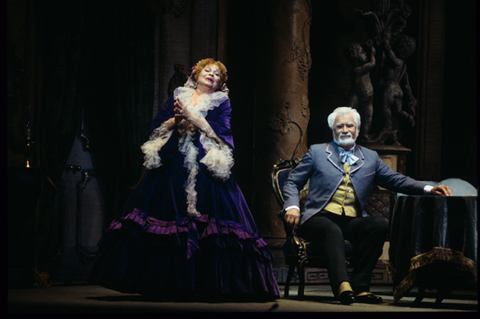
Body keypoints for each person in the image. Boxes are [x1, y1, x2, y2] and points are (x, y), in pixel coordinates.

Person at [88, 58, 281, 300]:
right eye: (208, 71)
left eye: (217, 74)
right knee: (164, 214)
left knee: (210, 219)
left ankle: (205, 283)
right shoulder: (178, 95)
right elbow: (158, 124)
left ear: (221, 82)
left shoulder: (222, 102)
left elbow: (221, 131)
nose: (212, 75)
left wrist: (193, 117)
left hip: (205, 160)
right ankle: (163, 281)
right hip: (174, 159)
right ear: (197, 74)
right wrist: (177, 119)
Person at [282, 106, 451, 305]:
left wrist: (428, 189)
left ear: (358, 129)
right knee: (332, 229)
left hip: (352, 220)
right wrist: (291, 206)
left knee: (378, 225)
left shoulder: (370, 157)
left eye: (349, 125)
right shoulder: (317, 152)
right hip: (318, 217)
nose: (345, 129)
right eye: (339, 126)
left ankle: (361, 287)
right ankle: (342, 286)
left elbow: (396, 180)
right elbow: (292, 182)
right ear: (333, 130)